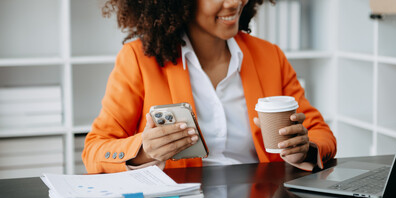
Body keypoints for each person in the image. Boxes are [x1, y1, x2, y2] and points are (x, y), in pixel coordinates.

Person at [82, 0, 337, 174]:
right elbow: (94, 150)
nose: (235, 2)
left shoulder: (269, 56)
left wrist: (303, 149)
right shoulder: (138, 59)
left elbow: (321, 133)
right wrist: (144, 151)